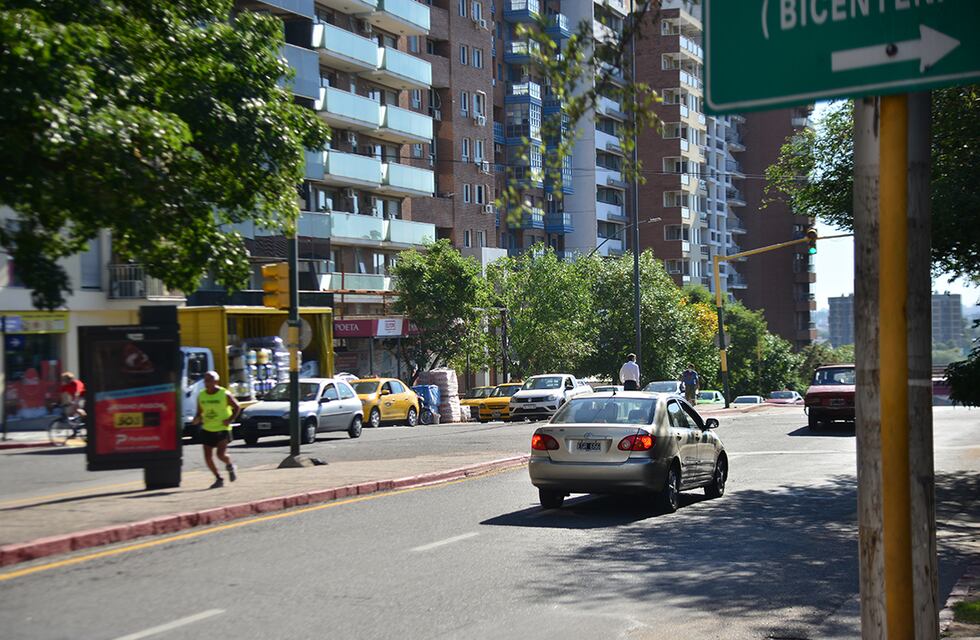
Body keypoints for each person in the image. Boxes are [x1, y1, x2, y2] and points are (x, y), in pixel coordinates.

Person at [191, 371, 240, 488]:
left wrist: (230, 419)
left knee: (220, 455)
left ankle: (230, 465)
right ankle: (218, 478)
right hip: (207, 428)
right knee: (207, 457)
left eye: (210, 380)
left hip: (222, 428)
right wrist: (196, 419)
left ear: (216, 381)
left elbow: (237, 407)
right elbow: (199, 412)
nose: (207, 383)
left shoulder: (224, 394)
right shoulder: (201, 395)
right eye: (205, 380)